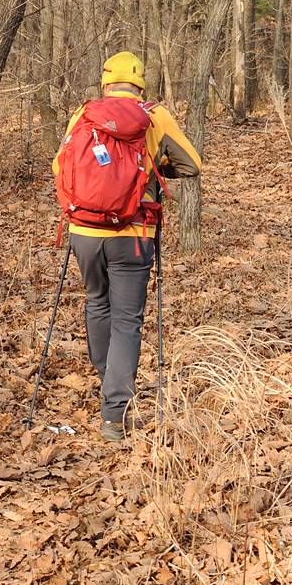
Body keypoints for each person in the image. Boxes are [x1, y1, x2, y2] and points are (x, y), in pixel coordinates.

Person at [52, 52, 201, 442]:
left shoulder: (85, 113)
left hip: (84, 232)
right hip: (133, 235)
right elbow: (192, 164)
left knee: (96, 303)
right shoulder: (154, 115)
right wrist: (154, 168)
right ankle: (114, 414)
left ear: (106, 82)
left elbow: (58, 166)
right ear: (140, 84)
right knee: (127, 320)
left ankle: (109, 382)